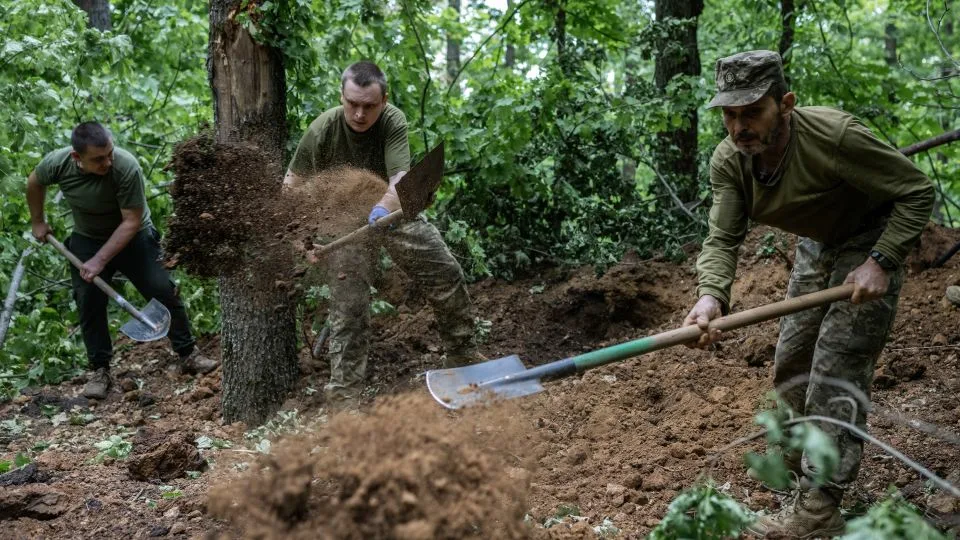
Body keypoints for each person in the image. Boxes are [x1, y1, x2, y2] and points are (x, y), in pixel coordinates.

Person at [683, 50, 934, 537]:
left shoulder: (835, 137)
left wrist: (880, 261)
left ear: (786, 104)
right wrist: (711, 295)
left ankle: (820, 507)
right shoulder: (730, 160)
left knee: (836, 369)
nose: (739, 127)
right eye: (729, 115)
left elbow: (917, 191)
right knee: (792, 362)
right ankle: (805, 473)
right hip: (818, 244)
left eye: (752, 111)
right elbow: (722, 237)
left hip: (871, 237)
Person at [284, 61, 483, 406]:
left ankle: (462, 359)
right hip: (342, 222)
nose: (359, 114)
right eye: (352, 104)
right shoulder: (321, 131)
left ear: (384, 100)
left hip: (389, 212)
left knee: (445, 272)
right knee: (349, 307)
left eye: (369, 106)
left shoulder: (392, 121)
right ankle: (344, 400)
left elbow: (399, 180)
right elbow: (290, 187)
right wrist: (301, 241)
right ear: (342, 97)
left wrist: (382, 207)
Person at [26, 122, 218, 400]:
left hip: (134, 237)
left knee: (161, 287)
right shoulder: (58, 163)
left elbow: (131, 221)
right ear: (76, 158)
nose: (108, 162)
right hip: (87, 237)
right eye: (98, 159)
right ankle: (99, 370)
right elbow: (34, 181)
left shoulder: (125, 166)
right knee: (88, 300)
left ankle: (188, 353)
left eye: (109, 153)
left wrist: (99, 261)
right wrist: (37, 221)